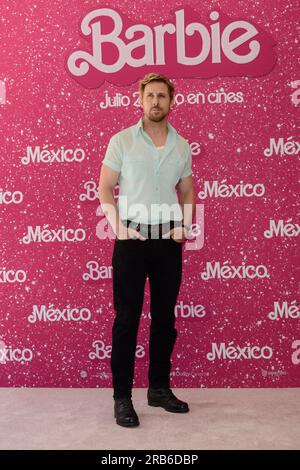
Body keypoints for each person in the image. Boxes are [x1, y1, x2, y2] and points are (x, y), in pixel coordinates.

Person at [98, 73, 195, 427]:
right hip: (131, 241)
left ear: (172, 102)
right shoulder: (121, 141)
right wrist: (117, 226)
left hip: (169, 241)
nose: (156, 101)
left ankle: (158, 389)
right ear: (140, 101)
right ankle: (122, 398)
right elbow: (105, 188)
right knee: (126, 320)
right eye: (150, 96)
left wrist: (185, 224)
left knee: (165, 319)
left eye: (162, 96)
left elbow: (187, 189)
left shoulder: (181, 146)